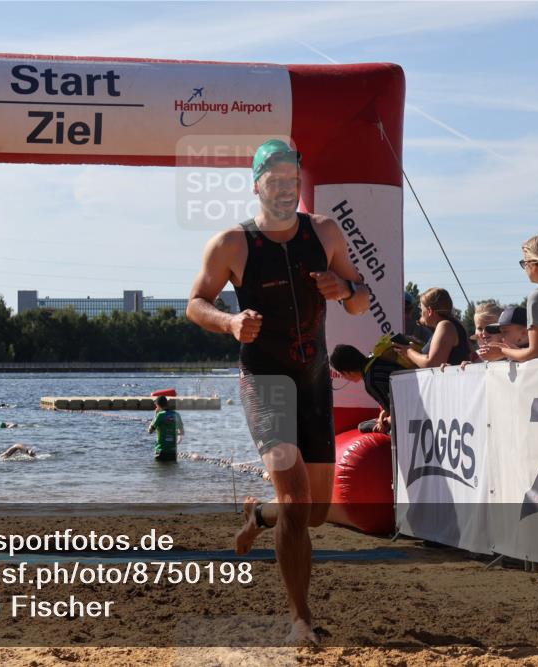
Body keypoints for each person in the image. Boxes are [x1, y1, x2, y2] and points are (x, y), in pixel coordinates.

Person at [186, 138, 370, 644]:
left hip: (312, 380)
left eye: (293, 178)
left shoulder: (325, 233)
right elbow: (195, 303)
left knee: (314, 510)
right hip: (265, 381)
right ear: (257, 184)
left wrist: (345, 290)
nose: (286, 186)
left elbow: (361, 301)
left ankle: (257, 514)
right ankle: (300, 621)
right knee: (295, 499)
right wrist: (228, 321)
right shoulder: (232, 244)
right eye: (276, 178)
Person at [393, 288, 472, 368]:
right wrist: (415, 352)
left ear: (429, 311)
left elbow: (432, 363)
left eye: (421, 310)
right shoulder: (451, 325)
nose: (421, 314)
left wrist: (408, 351)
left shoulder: (445, 326)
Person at [147, 395, 183, 462]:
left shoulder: (160, 415)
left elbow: (150, 431)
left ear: (158, 405)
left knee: (160, 470)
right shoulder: (176, 414)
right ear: (167, 404)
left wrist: (155, 415)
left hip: (161, 451)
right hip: (173, 451)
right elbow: (181, 433)